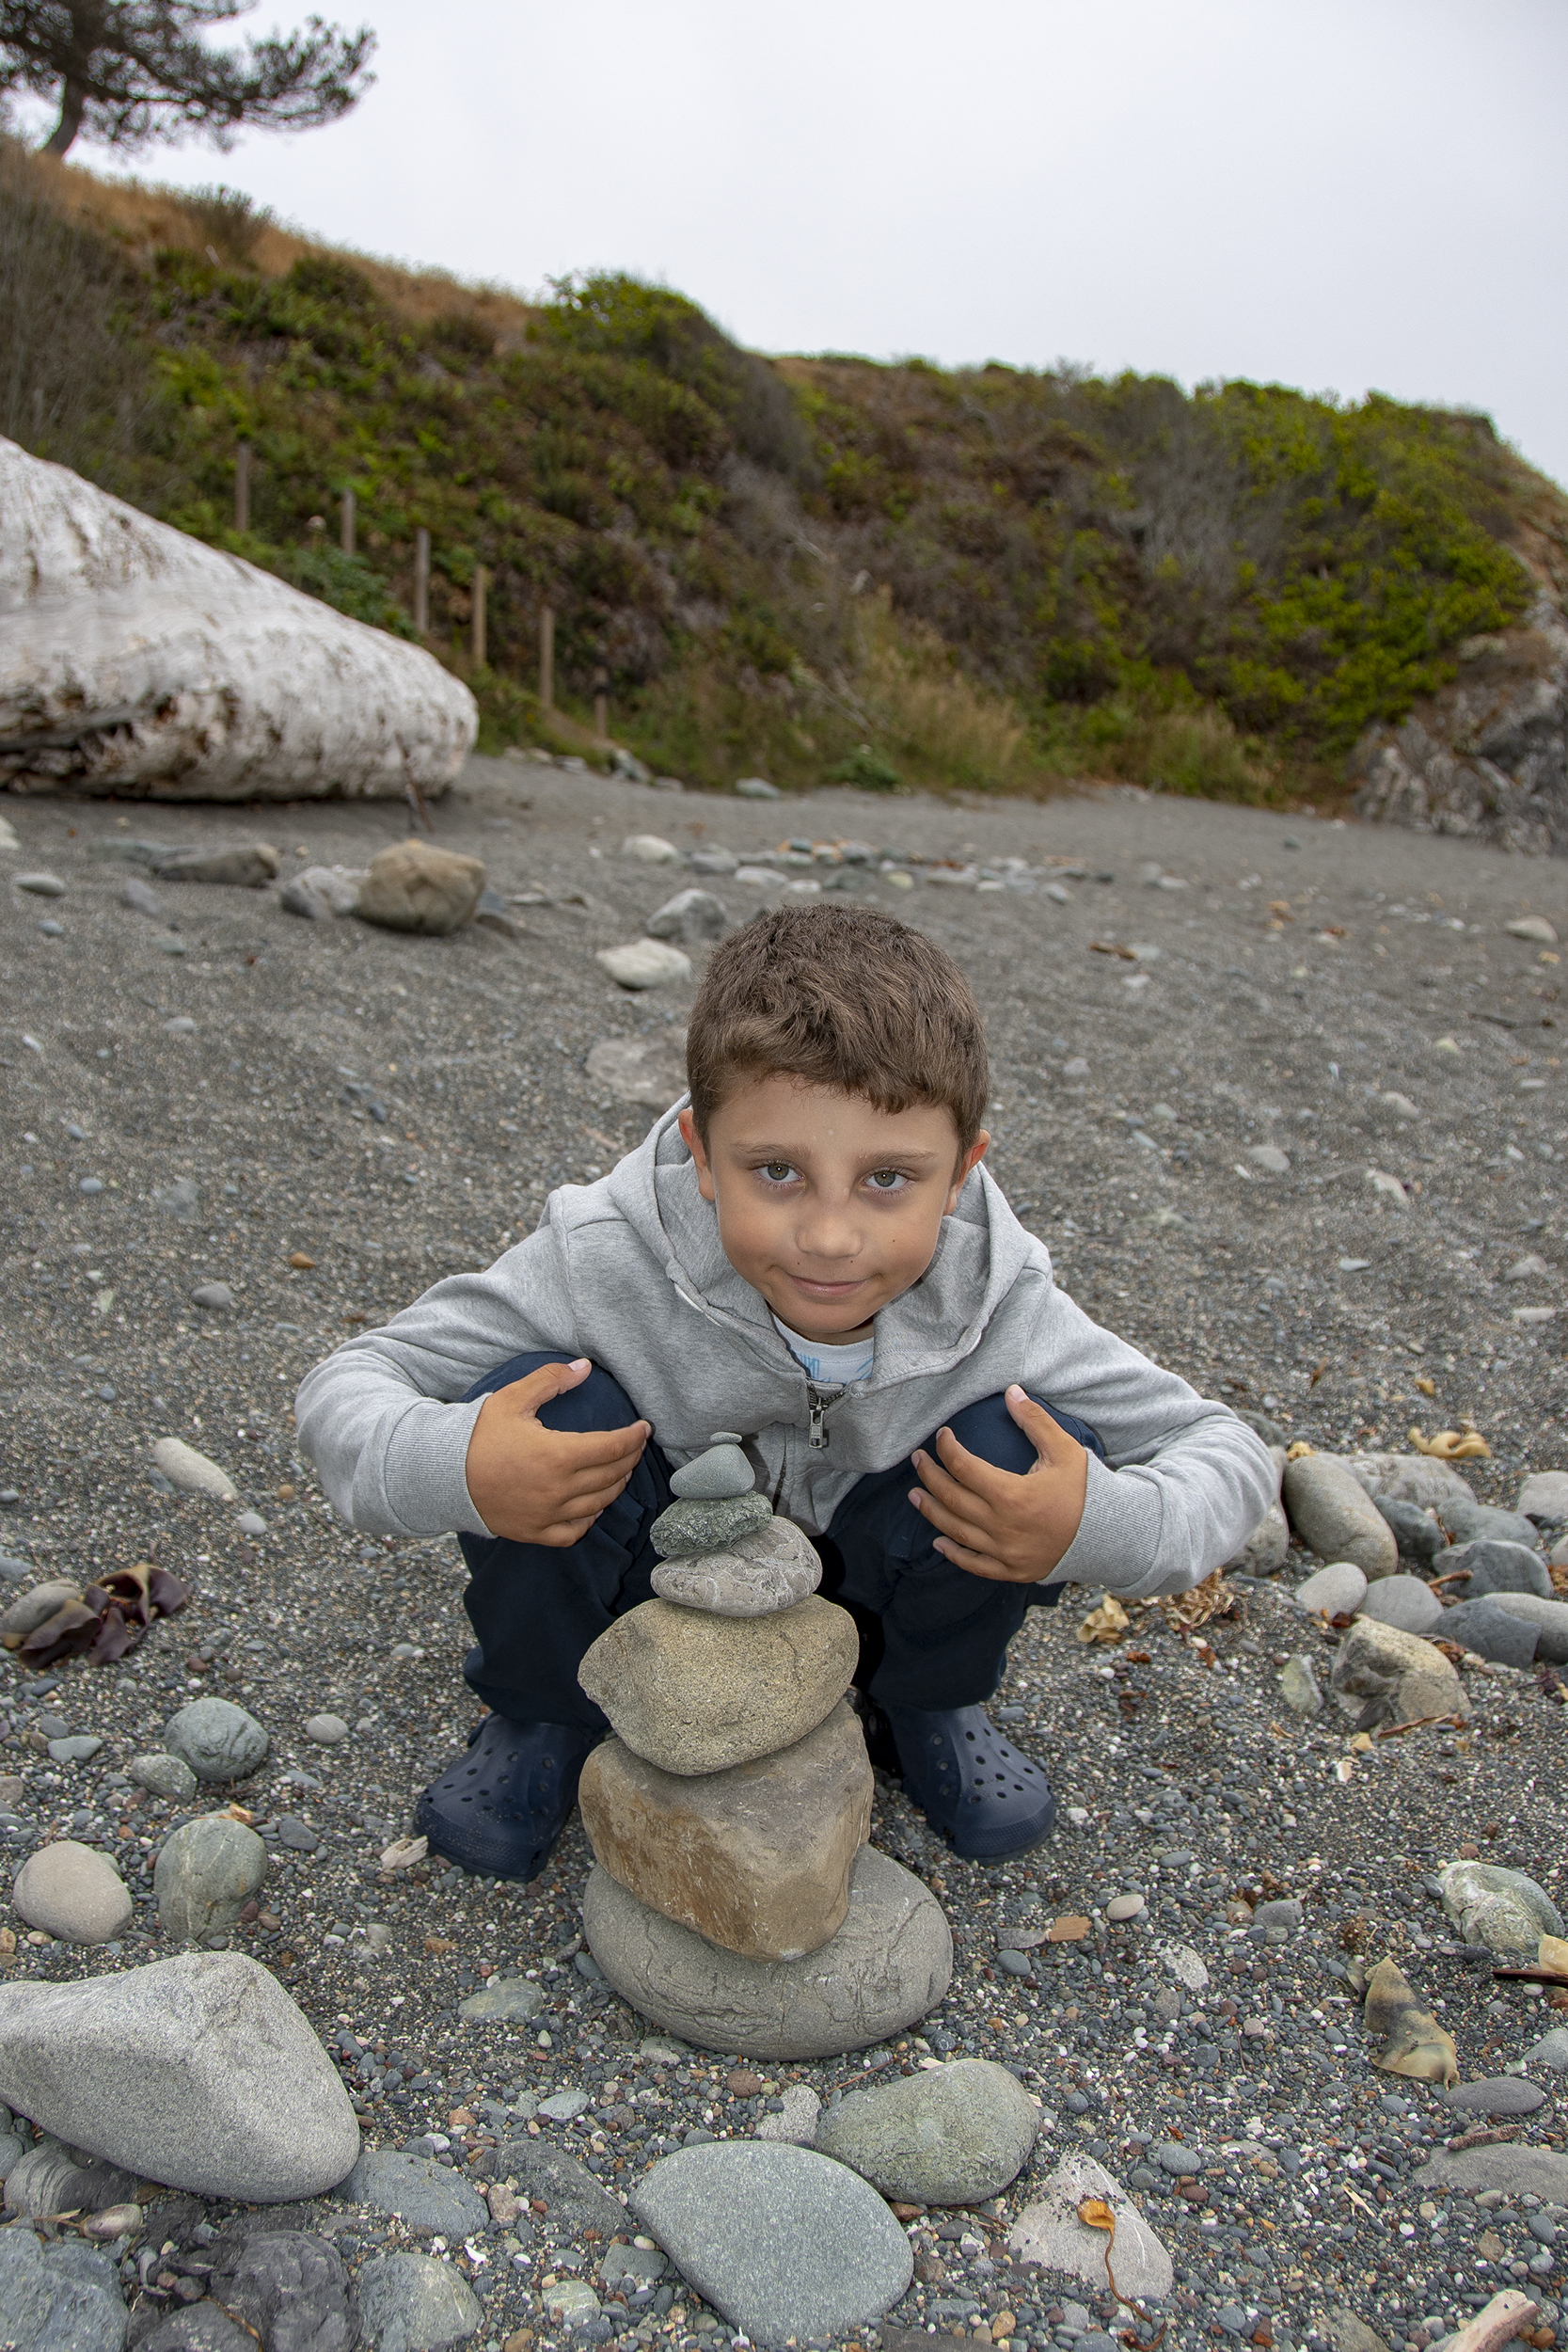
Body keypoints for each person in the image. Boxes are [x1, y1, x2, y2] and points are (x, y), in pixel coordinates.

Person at [295, 902, 1274, 1882]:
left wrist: (1087, 1522)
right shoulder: (599, 1257)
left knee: (1017, 1447)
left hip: (882, 1582)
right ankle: (546, 1711)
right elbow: (352, 1383)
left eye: (888, 1178)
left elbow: (1223, 1452)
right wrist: (463, 1467)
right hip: (653, 1566)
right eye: (776, 1171)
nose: (831, 1236)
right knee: (539, 1404)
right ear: (703, 1155)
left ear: (961, 1171)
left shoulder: (1000, 1299)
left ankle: (922, 1699)